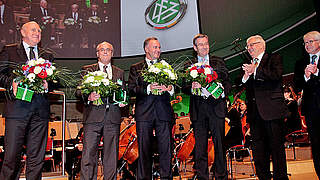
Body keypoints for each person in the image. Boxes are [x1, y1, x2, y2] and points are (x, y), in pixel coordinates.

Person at [0, 21, 54, 180]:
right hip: (17, 110)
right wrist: (11, 82)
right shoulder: (9, 51)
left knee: (37, 157)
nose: (37, 32)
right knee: (11, 156)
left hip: (40, 112)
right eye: (33, 30)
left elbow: (55, 81)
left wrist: (48, 83)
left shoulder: (47, 54)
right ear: (23, 33)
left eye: (39, 30)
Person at [183, 34, 231, 180]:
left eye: (206, 44)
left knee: (219, 144)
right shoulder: (188, 66)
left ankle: (221, 175)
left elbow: (227, 81)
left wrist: (222, 92)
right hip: (198, 110)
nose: (204, 47)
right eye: (201, 44)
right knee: (200, 146)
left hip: (216, 108)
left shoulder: (218, 61)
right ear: (195, 48)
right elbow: (184, 87)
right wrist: (191, 86)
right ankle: (202, 176)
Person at [241, 35, 288, 180]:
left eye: (252, 45)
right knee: (259, 152)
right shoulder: (248, 63)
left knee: (276, 150)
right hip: (255, 115)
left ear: (262, 45)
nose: (249, 48)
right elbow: (242, 85)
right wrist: (246, 76)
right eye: (247, 46)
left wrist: (255, 71)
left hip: (272, 112)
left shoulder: (274, 58)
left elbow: (276, 75)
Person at [128, 37, 174, 180]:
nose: (158, 50)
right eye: (155, 47)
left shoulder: (166, 66)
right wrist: (148, 88)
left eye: (159, 47)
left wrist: (170, 88)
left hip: (163, 112)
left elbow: (174, 86)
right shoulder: (136, 68)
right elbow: (131, 89)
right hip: (144, 114)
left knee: (166, 150)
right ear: (146, 49)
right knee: (144, 149)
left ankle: (166, 177)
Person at [78, 41, 126, 180]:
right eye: (102, 50)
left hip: (112, 118)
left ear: (112, 53)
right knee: (88, 155)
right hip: (93, 118)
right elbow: (78, 91)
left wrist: (123, 102)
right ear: (97, 53)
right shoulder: (87, 70)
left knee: (111, 156)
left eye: (108, 50)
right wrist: (88, 96)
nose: (105, 52)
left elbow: (123, 92)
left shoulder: (120, 72)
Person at [293, 30, 320, 178]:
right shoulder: (300, 63)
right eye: (305, 43)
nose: (307, 45)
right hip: (311, 111)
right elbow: (297, 85)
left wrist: (316, 73)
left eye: (311, 41)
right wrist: (306, 76)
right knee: (316, 145)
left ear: (319, 42)